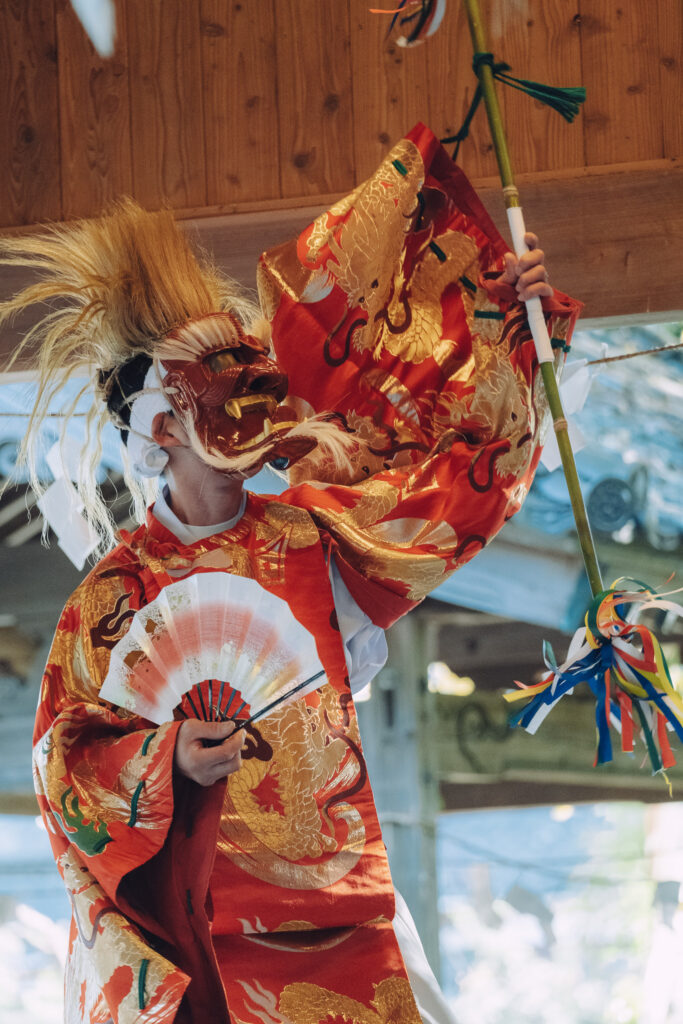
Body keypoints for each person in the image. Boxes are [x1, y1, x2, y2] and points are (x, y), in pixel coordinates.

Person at [3, 124, 580, 1023]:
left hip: (341, 917)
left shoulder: (317, 536)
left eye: (258, 378)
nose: (259, 400)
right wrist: (161, 761)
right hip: (195, 938)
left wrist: (507, 317)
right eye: (225, 387)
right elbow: (61, 765)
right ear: (161, 426)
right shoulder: (114, 597)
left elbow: (466, 465)